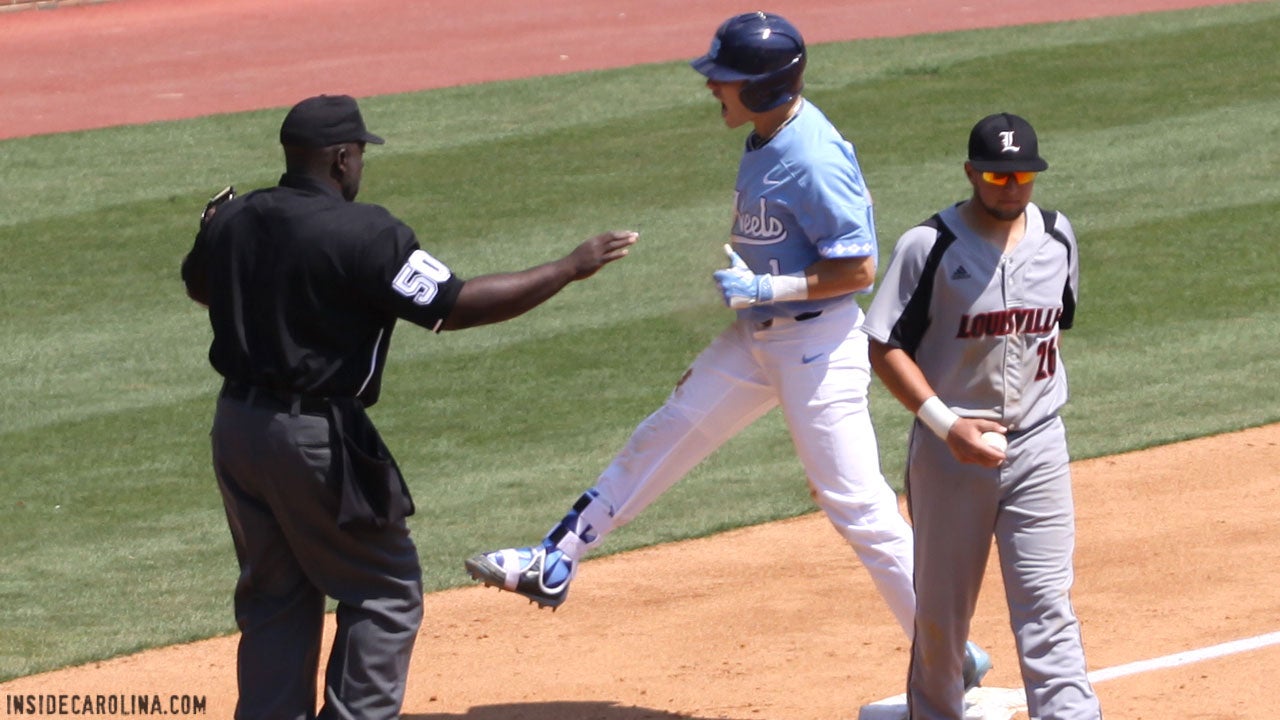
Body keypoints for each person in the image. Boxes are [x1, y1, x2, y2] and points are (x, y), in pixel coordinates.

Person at [464, 11, 988, 689]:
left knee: (858, 506)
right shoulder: (769, 135)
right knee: (664, 432)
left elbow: (859, 267)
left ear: (766, 87)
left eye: (727, 79)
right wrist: (754, 306)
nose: (713, 86)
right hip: (758, 337)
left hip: (817, 349)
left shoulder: (812, 155)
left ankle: (954, 655)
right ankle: (554, 560)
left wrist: (770, 283)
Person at [180, 93, 637, 720]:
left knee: (275, 594)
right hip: (311, 437)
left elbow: (200, 286)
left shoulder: (234, 217)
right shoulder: (367, 233)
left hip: (236, 429)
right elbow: (456, 305)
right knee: (384, 589)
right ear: (341, 158)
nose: (361, 165)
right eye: (359, 153)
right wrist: (567, 268)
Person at [862, 112, 1103, 719]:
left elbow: (1050, 332)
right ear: (972, 173)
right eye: (996, 176)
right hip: (949, 455)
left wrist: (1028, 412)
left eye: (1022, 174)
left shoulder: (1058, 236)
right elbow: (883, 345)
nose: (1011, 186)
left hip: (1040, 448)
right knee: (942, 618)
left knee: (1049, 607)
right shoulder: (930, 247)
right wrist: (949, 426)